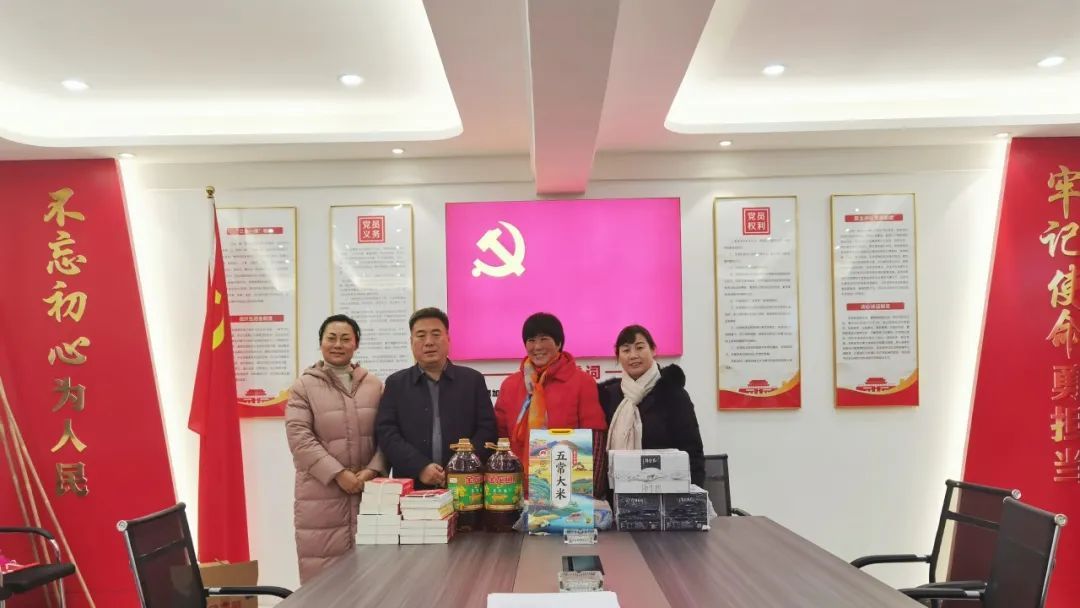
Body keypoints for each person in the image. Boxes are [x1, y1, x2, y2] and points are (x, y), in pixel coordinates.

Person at [286, 314, 386, 584]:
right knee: (324, 579)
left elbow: (388, 434)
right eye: (331, 338)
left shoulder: (374, 385)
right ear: (321, 343)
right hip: (320, 494)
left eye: (345, 338)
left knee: (373, 578)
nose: (338, 344)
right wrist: (339, 474)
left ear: (356, 344)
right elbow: (299, 437)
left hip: (368, 490)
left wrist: (373, 470)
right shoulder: (303, 386)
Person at [376, 307, 497, 488]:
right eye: (421, 335)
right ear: (411, 341)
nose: (429, 342)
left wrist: (461, 465)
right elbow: (387, 433)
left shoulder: (472, 380)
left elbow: (487, 430)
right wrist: (420, 467)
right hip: (414, 486)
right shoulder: (396, 384)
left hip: (465, 485)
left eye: (436, 334)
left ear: (448, 339)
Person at [494, 312, 607, 493]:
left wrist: (593, 493)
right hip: (517, 490)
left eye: (544, 339)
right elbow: (499, 439)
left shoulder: (582, 382)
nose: (537, 346)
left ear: (559, 343)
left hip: (569, 491)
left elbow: (596, 440)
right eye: (531, 340)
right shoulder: (510, 385)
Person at [599, 324, 705, 487]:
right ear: (618, 356)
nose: (633, 355)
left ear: (653, 350)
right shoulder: (610, 395)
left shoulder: (672, 393)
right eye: (626, 350)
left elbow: (692, 451)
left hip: (666, 491)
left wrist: (690, 494)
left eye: (639, 347)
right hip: (618, 492)